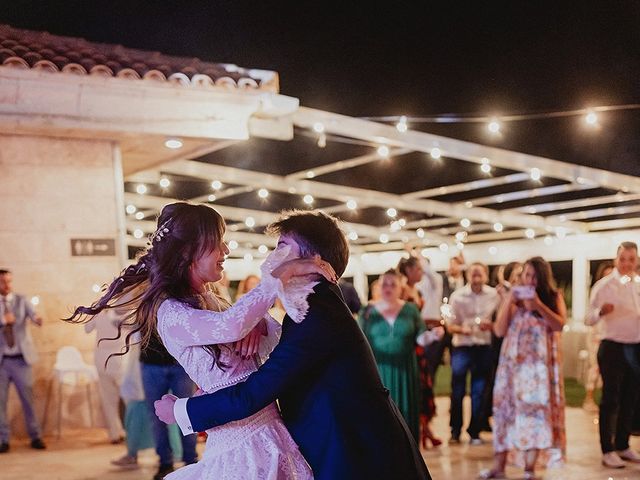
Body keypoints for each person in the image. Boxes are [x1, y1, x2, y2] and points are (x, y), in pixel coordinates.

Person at [155, 209, 432, 480]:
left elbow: (255, 392)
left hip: (362, 458)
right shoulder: (312, 305)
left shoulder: (317, 313)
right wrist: (256, 322)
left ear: (311, 260)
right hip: (341, 448)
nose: (273, 257)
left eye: (283, 248)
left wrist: (183, 410)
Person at [67, 202, 334, 480]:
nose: (226, 250)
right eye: (217, 242)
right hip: (240, 448)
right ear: (187, 252)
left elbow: (275, 338)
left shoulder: (213, 299)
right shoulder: (170, 312)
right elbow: (229, 326)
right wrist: (279, 275)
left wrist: (254, 323)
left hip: (271, 433)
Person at [480, 256, 567, 479]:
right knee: (504, 411)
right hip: (510, 366)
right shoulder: (513, 298)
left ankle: (530, 468)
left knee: (534, 413)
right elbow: (499, 330)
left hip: (536, 369)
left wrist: (538, 306)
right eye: (527, 275)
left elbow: (559, 325)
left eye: (535, 276)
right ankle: (498, 466)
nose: (530, 280)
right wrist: (510, 299)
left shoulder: (552, 297)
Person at [358, 269, 442, 444]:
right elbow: (358, 341)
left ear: (400, 288)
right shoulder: (367, 312)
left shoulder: (410, 310)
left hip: (405, 370)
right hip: (378, 371)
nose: (388, 287)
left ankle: (409, 459)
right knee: (381, 416)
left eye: (392, 284)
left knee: (406, 412)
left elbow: (420, 337)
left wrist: (433, 335)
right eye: (384, 284)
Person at [585, 242, 640, 469]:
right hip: (612, 347)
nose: (627, 263)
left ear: (637, 260)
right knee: (610, 399)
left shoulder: (638, 284)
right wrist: (600, 312)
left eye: (631, 259)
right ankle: (607, 450)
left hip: (636, 346)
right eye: (623, 258)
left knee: (631, 398)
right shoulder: (604, 286)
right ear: (616, 259)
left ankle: (623, 444)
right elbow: (588, 318)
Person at [447, 262, 499, 445]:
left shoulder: (494, 295)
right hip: (463, 346)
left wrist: (490, 326)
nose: (476, 276)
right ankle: (455, 430)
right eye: (473, 273)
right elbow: (449, 325)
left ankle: (474, 431)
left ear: (485, 275)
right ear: (468, 275)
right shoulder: (457, 296)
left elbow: (499, 322)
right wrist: (462, 329)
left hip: (483, 346)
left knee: (479, 391)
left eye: (480, 273)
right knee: (458, 390)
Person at [398, 255, 444, 448]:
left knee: (423, 387)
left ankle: (424, 428)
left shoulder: (416, 290)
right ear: (408, 270)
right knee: (413, 387)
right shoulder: (401, 290)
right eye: (418, 269)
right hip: (407, 345)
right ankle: (413, 429)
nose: (420, 273)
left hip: (419, 342)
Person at [0, 269, 46, 453]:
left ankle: (35, 436)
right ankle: (3, 440)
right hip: (2, 362)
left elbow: (33, 315)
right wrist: (3, 320)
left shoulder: (21, 300)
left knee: (28, 400)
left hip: (21, 360)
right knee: (0, 403)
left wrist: (37, 319)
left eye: (9, 281)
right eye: (3, 281)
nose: (7, 285)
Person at [84, 308, 125, 443]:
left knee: (109, 400)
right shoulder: (123, 311)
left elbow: (87, 328)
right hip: (119, 358)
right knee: (127, 399)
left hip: (103, 359)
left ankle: (115, 433)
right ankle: (127, 433)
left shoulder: (99, 313)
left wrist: (93, 310)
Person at [582, 260, 614, 412]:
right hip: (596, 335)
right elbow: (588, 318)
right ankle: (588, 399)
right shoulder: (598, 292)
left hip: (610, 337)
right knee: (595, 368)